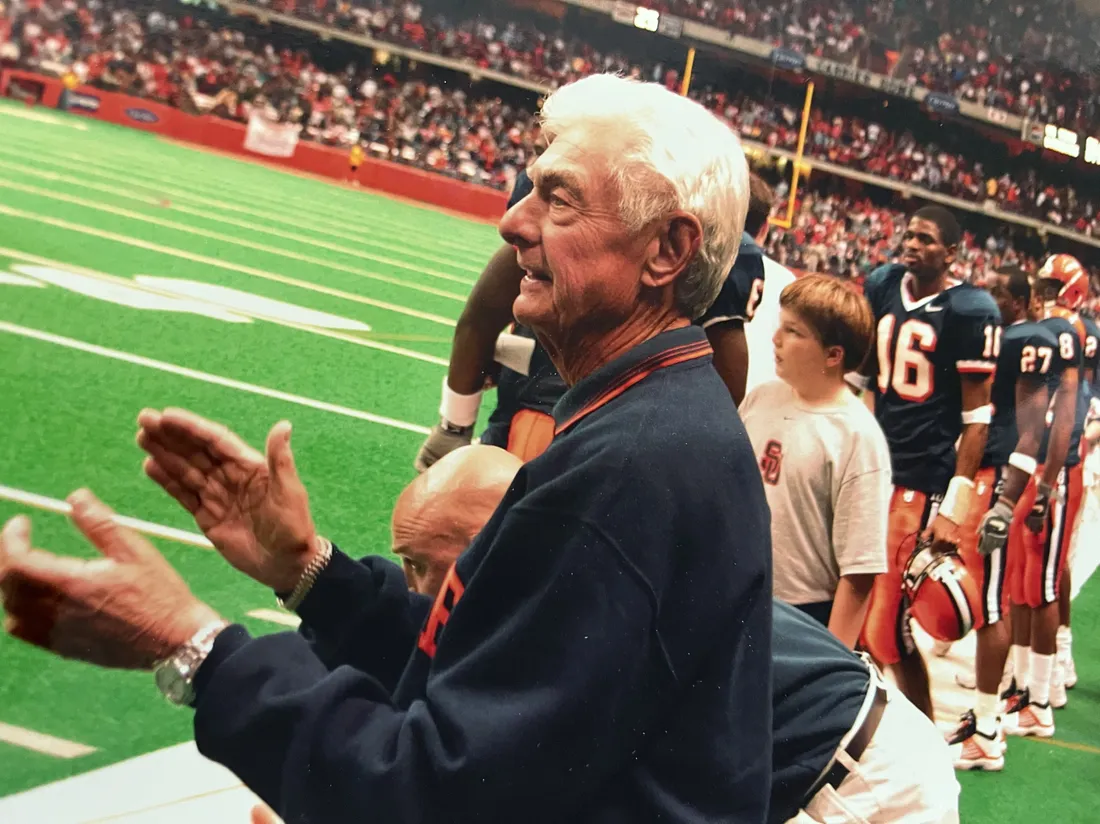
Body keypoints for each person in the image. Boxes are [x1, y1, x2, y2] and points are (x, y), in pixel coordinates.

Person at [0, 74, 774, 824]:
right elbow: (499, 668)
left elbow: (433, 795)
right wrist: (311, 574)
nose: (513, 219)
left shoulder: (632, 465)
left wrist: (195, 648)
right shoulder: (653, 415)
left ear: (666, 250)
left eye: (558, 197)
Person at [273, 443, 959, 824]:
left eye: (424, 565)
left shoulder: (582, 611)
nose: (422, 588)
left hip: (858, 785)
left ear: (490, 543)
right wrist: (312, 573)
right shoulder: (566, 560)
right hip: (837, 752)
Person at [412, 168, 773, 471]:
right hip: (556, 416)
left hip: (594, 424)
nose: (512, 223)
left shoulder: (707, 240)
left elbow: (482, 312)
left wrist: (455, 424)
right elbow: (485, 311)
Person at [850, 205, 1001, 720]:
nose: (911, 243)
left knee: (887, 632)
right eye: (908, 233)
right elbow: (866, 374)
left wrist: (954, 508)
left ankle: (922, 742)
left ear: (952, 253)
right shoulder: (885, 284)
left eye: (926, 238)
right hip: (877, 469)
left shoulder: (970, 309)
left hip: (921, 480)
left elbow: (977, 417)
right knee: (868, 623)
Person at [946, 267, 1059, 770]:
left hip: (1001, 473)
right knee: (998, 594)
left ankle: (988, 733)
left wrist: (1009, 498)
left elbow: (1031, 427)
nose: (992, 303)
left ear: (1018, 301)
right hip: (999, 471)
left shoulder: (1027, 339)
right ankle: (988, 711)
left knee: (992, 600)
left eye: (999, 295)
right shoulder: (1023, 337)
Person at [739, 275, 890, 647]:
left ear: (833, 355)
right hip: (736, 589)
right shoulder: (761, 398)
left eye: (793, 332)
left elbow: (859, 571)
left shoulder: (857, 437)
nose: (776, 339)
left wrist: (830, 658)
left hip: (800, 616)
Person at [1002, 254, 1089, 736]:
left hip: (1055, 468)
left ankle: (1039, 697)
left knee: (1041, 584)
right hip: (1039, 464)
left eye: (1049, 286)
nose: (1042, 292)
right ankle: (1024, 685)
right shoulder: (1057, 333)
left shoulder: (1066, 333)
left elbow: (1067, 415)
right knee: (1023, 579)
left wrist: (1049, 481)